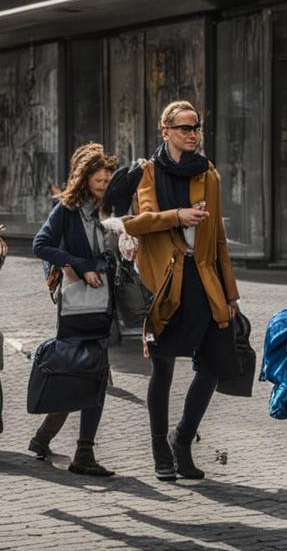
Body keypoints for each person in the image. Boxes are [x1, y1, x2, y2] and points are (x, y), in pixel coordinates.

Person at [122, 101, 241, 484]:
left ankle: (182, 439)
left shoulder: (209, 174)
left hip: (205, 281)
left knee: (213, 365)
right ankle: (160, 449)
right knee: (162, 368)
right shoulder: (149, 172)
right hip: (166, 285)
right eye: (184, 128)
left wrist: (232, 292)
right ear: (166, 131)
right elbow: (136, 223)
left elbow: (219, 239)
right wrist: (178, 216)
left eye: (196, 128)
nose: (192, 134)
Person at [30, 142, 119, 477]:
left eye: (108, 174)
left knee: (88, 372)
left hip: (104, 304)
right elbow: (42, 245)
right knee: (82, 372)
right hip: (77, 305)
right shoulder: (66, 210)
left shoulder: (110, 210)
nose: (105, 179)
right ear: (85, 177)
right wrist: (78, 265)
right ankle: (82, 453)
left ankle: (45, 439)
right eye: (99, 174)